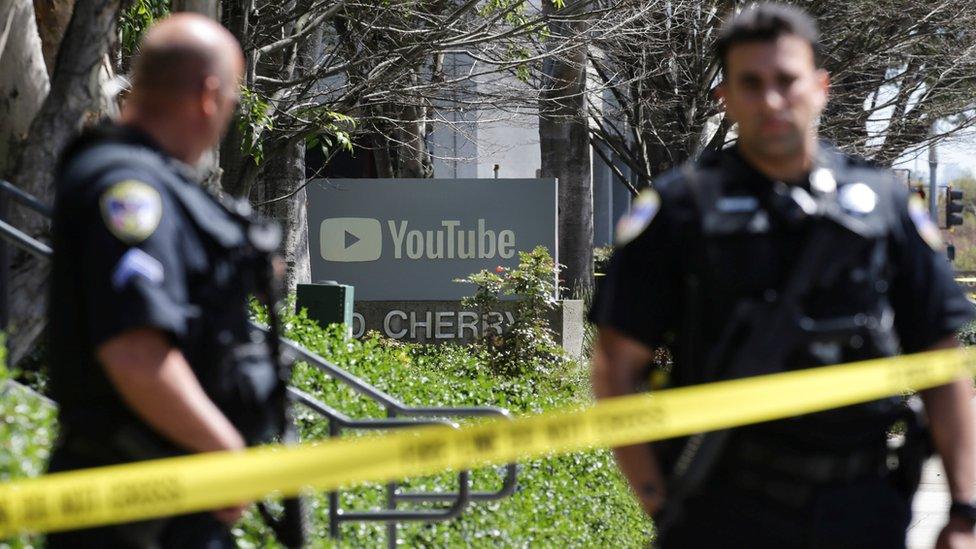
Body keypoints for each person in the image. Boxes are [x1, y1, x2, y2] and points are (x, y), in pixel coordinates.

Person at [589, 4, 976, 548]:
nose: (771, 100)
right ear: (725, 98)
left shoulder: (884, 204)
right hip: (723, 510)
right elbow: (614, 367)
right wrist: (659, 499)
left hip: (862, 508)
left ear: (820, 87)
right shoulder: (681, 209)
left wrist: (964, 512)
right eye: (751, 83)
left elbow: (942, 361)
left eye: (787, 80)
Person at [46, 14, 283, 548]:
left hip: (167, 503)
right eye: (231, 101)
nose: (225, 116)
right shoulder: (131, 190)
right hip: (135, 513)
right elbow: (135, 349)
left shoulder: (155, 180)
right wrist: (224, 451)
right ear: (208, 93)